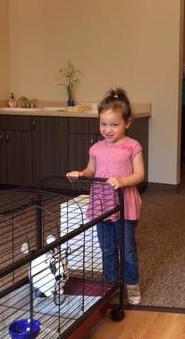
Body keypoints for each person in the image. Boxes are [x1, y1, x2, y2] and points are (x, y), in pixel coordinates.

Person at [66, 88, 145, 305]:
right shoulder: (96, 148)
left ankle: (131, 283)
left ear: (127, 123)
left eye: (114, 124)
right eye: (103, 124)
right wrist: (81, 174)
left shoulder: (132, 146)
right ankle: (110, 286)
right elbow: (91, 170)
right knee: (107, 248)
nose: (107, 129)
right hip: (102, 204)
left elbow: (139, 175)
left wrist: (122, 180)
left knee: (127, 249)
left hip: (124, 204)